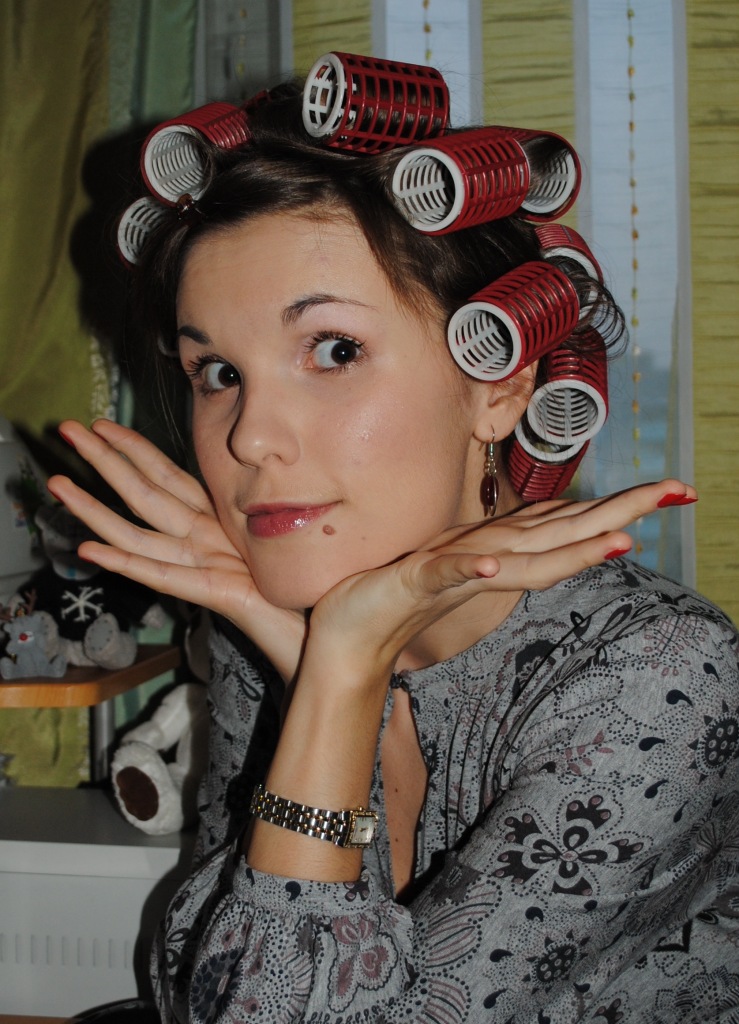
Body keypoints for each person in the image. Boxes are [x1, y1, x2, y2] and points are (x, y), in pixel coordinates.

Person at [49, 57, 739, 1023]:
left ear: (498, 384)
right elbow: (201, 980)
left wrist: (333, 677)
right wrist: (321, 664)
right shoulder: (282, 624)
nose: (248, 439)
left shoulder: (658, 676)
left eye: (334, 350)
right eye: (217, 372)